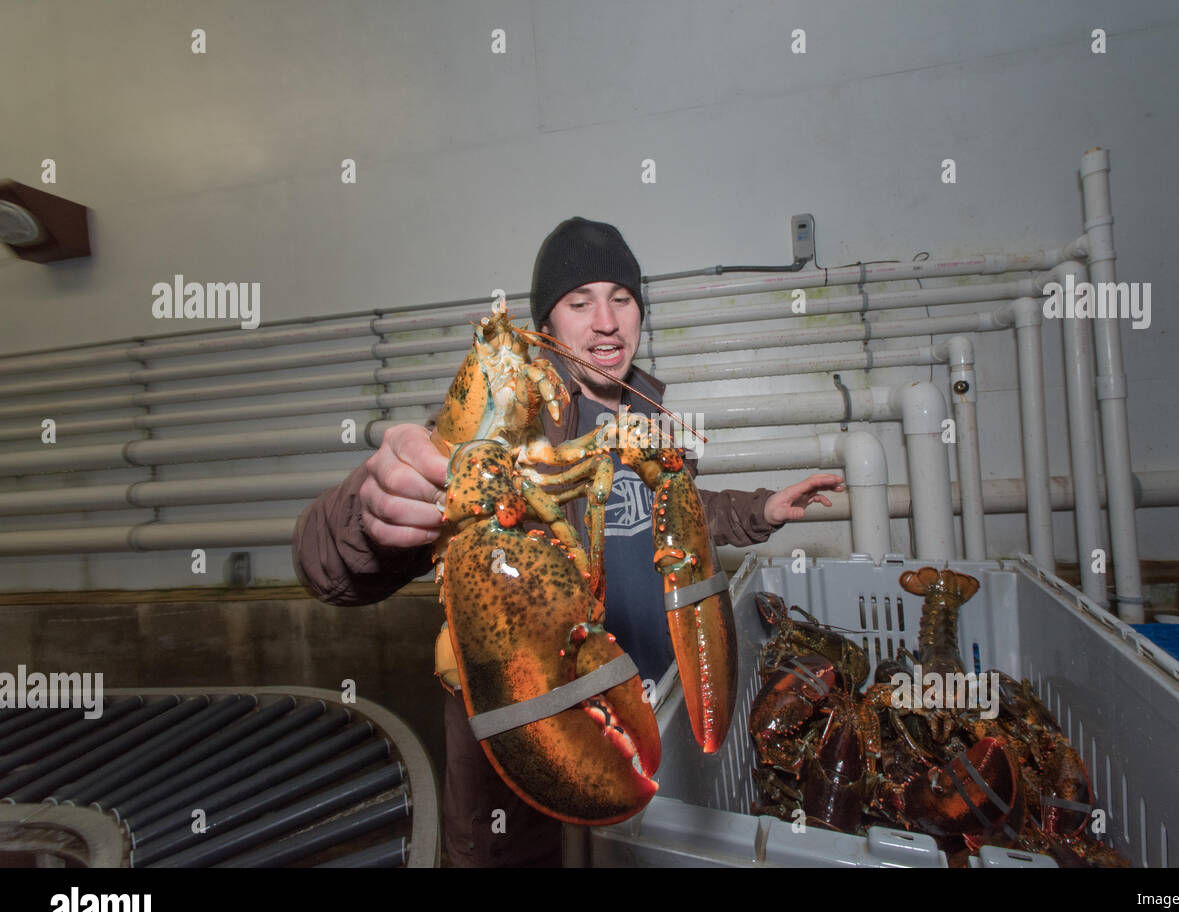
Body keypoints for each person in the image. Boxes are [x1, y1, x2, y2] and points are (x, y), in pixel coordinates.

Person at [293, 217, 843, 866]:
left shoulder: (647, 414)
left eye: (623, 297)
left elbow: (674, 518)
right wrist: (368, 508)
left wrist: (762, 510)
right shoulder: (510, 428)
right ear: (547, 323)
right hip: (527, 792)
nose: (605, 321)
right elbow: (324, 566)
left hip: (642, 721)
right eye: (579, 302)